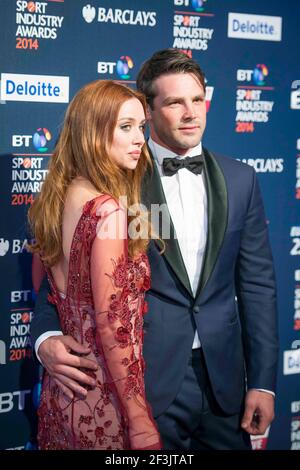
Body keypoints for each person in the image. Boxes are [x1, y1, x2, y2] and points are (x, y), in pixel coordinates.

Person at [31, 49, 279, 450]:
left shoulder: (242, 179)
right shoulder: (115, 177)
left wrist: (264, 382)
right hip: (148, 383)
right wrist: (45, 336)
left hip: (225, 383)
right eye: (175, 102)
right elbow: (64, 276)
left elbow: (257, 286)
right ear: (148, 109)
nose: (190, 113)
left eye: (197, 99)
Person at [28, 79, 162, 450]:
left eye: (141, 127)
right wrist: (139, 421)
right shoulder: (108, 211)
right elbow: (114, 328)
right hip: (105, 398)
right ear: (93, 132)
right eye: (126, 127)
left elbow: (50, 287)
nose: (140, 139)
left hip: (63, 393)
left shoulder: (57, 199)